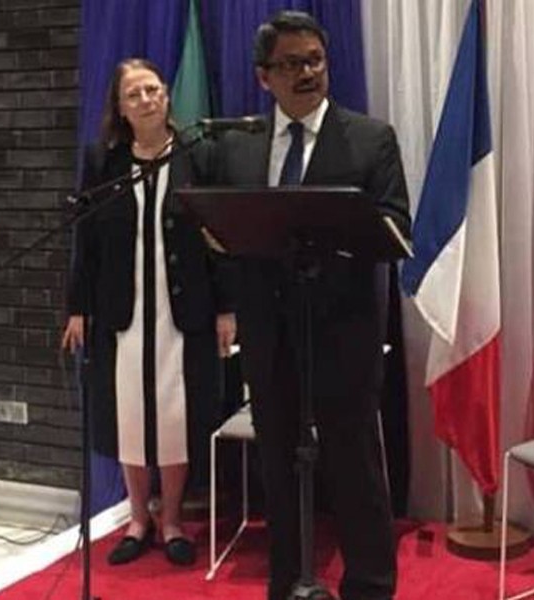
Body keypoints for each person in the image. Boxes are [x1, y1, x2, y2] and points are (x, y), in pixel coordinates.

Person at [216, 11, 411, 600]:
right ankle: (289, 583)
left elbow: (398, 226)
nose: (307, 73)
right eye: (292, 63)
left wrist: (337, 229)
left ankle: (370, 586)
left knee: (354, 468)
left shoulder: (370, 138)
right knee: (279, 465)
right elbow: (225, 232)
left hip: (344, 330)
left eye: (315, 61)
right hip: (268, 332)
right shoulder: (239, 147)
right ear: (263, 77)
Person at [63, 58, 236, 567]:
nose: (146, 100)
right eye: (134, 94)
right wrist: (78, 307)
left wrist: (226, 309)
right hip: (123, 312)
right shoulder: (104, 161)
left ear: (166, 96)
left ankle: (173, 519)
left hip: (182, 310)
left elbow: (219, 241)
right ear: (120, 107)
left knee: (175, 416)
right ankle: (138, 518)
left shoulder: (197, 155)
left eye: (153, 90)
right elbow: (85, 238)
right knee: (131, 417)